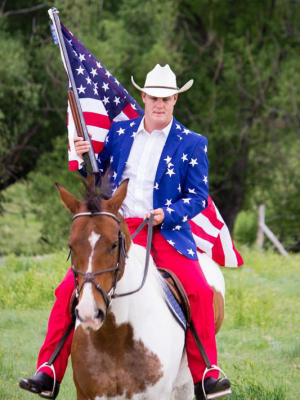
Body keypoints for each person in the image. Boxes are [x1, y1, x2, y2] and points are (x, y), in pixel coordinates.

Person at [19, 64, 231, 400]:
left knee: (199, 291)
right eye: (153, 97)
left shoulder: (192, 143)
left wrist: (169, 213)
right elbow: (98, 176)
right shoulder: (121, 134)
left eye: (166, 98)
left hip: (165, 230)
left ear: (175, 99)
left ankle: (206, 372)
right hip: (117, 226)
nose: (158, 103)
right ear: (143, 97)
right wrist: (85, 153)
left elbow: (198, 196)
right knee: (66, 291)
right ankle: (49, 370)